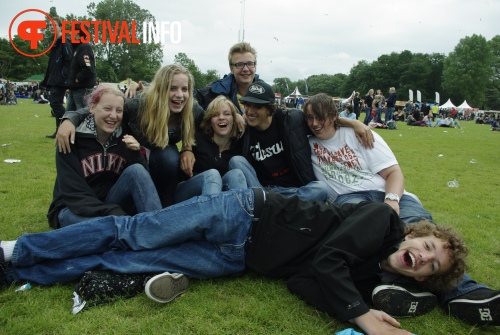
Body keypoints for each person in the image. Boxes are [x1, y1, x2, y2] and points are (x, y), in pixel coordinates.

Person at [0, 188, 468, 335]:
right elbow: (328, 259)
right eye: (428, 248)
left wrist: (363, 300)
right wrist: (361, 314)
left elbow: (302, 283)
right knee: (131, 232)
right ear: (417, 234)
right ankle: (16, 250)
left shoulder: (366, 275)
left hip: (235, 260)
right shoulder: (380, 221)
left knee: (126, 263)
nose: (423, 258)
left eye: (431, 267)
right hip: (241, 213)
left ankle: (17, 273)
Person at [304, 93, 499, 326]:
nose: (315, 123)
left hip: (387, 192)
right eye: (310, 118)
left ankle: (465, 293)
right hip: (350, 200)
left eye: (322, 118)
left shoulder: (360, 135)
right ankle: (405, 286)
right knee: (371, 239)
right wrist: (352, 119)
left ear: (334, 115)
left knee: (424, 236)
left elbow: (393, 173)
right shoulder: (305, 139)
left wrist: (392, 201)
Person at [55, 64, 204, 207]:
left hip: (162, 160)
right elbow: (102, 108)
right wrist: (69, 120)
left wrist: (187, 148)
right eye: (172, 88)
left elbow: (203, 127)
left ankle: (166, 202)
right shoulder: (138, 104)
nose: (179, 95)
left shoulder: (193, 109)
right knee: (164, 158)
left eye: (185, 89)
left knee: (169, 156)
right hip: (134, 156)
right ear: (160, 89)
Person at [47, 84, 161, 228]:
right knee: (109, 227)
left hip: (110, 204)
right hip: (73, 208)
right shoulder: (70, 137)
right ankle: (130, 229)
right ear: (92, 107)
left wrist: (136, 154)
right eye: (107, 109)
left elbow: (141, 182)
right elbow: (74, 191)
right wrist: (113, 212)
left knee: (137, 170)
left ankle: (156, 227)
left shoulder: (125, 136)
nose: (113, 116)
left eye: (118, 110)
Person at [228, 81, 334, 202]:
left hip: (294, 190)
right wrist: (235, 117)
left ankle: (268, 206)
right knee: (236, 161)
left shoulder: (292, 120)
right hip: (261, 188)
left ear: (269, 108)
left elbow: (321, 123)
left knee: (322, 189)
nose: (250, 111)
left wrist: (354, 122)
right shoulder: (244, 130)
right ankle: (270, 203)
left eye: (257, 107)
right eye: (247, 105)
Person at [173, 95, 246, 203]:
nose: (221, 117)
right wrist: (186, 150)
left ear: (234, 120)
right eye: (216, 115)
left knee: (237, 174)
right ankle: (211, 218)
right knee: (212, 175)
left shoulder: (239, 146)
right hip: (188, 193)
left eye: (227, 114)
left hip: (219, 197)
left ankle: (240, 216)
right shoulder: (197, 139)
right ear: (210, 120)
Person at [193, 42, 262, 114]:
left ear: (255, 66)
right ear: (231, 69)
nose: (245, 69)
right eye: (240, 64)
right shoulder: (216, 90)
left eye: (250, 64)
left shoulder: (264, 92)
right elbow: (189, 100)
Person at [40, 17, 73, 139]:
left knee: (55, 103)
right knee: (56, 103)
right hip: (55, 79)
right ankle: (59, 131)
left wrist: (64, 76)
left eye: (53, 25)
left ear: (60, 26)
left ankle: (69, 123)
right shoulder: (56, 43)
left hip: (60, 80)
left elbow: (69, 60)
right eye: (49, 25)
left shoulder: (64, 42)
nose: (50, 27)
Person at [66, 23, 97, 111]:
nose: (69, 33)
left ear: (79, 34)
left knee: (82, 113)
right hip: (75, 88)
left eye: (72, 31)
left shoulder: (84, 47)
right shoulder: (77, 48)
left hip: (82, 88)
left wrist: (77, 79)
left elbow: (88, 68)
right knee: (69, 114)